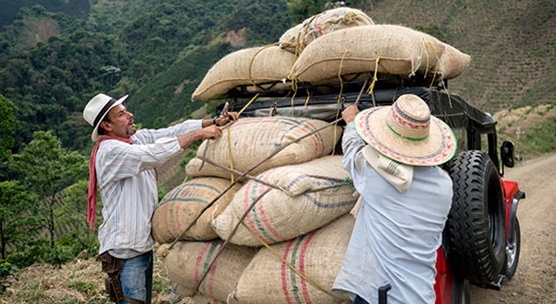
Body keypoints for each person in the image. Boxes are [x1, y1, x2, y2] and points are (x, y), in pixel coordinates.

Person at [82, 93, 238, 304]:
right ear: (107, 126)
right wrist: (198, 135)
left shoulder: (133, 139)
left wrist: (212, 121)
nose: (129, 115)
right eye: (121, 114)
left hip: (140, 245)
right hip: (124, 251)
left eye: (126, 110)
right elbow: (153, 154)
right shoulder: (110, 151)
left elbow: (170, 132)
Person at [333, 94, 458, 304]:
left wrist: (352, 123)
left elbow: (352, 151)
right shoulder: (444, 185)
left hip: (380, 295)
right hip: (421, 294)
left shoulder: (375, 176)